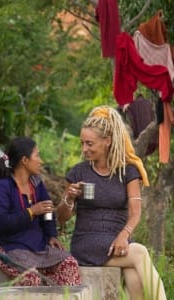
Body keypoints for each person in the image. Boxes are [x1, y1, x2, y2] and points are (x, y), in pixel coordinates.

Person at [57, 105, 166, 300]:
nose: (84, 149)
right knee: (139, 253)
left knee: (134, 276)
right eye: (83, 143)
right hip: (87, 242)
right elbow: (62, 218)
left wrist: (124, 235)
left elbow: (135, 213)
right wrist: (69, 198)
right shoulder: (78, 172)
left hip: (118, 240)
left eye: (90, 144)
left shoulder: (128, 172)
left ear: (107, 141)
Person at [0, 136, 81, 286]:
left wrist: (51, 235)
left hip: (40, 248)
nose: (40, 160)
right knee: (31, 277)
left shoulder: (36, 183)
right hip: (11, 249)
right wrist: (31, 212)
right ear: (25, 160)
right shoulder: (3, 187)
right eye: (37, 155)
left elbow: (47, 210)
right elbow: (1, 223)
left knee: (69, 264)